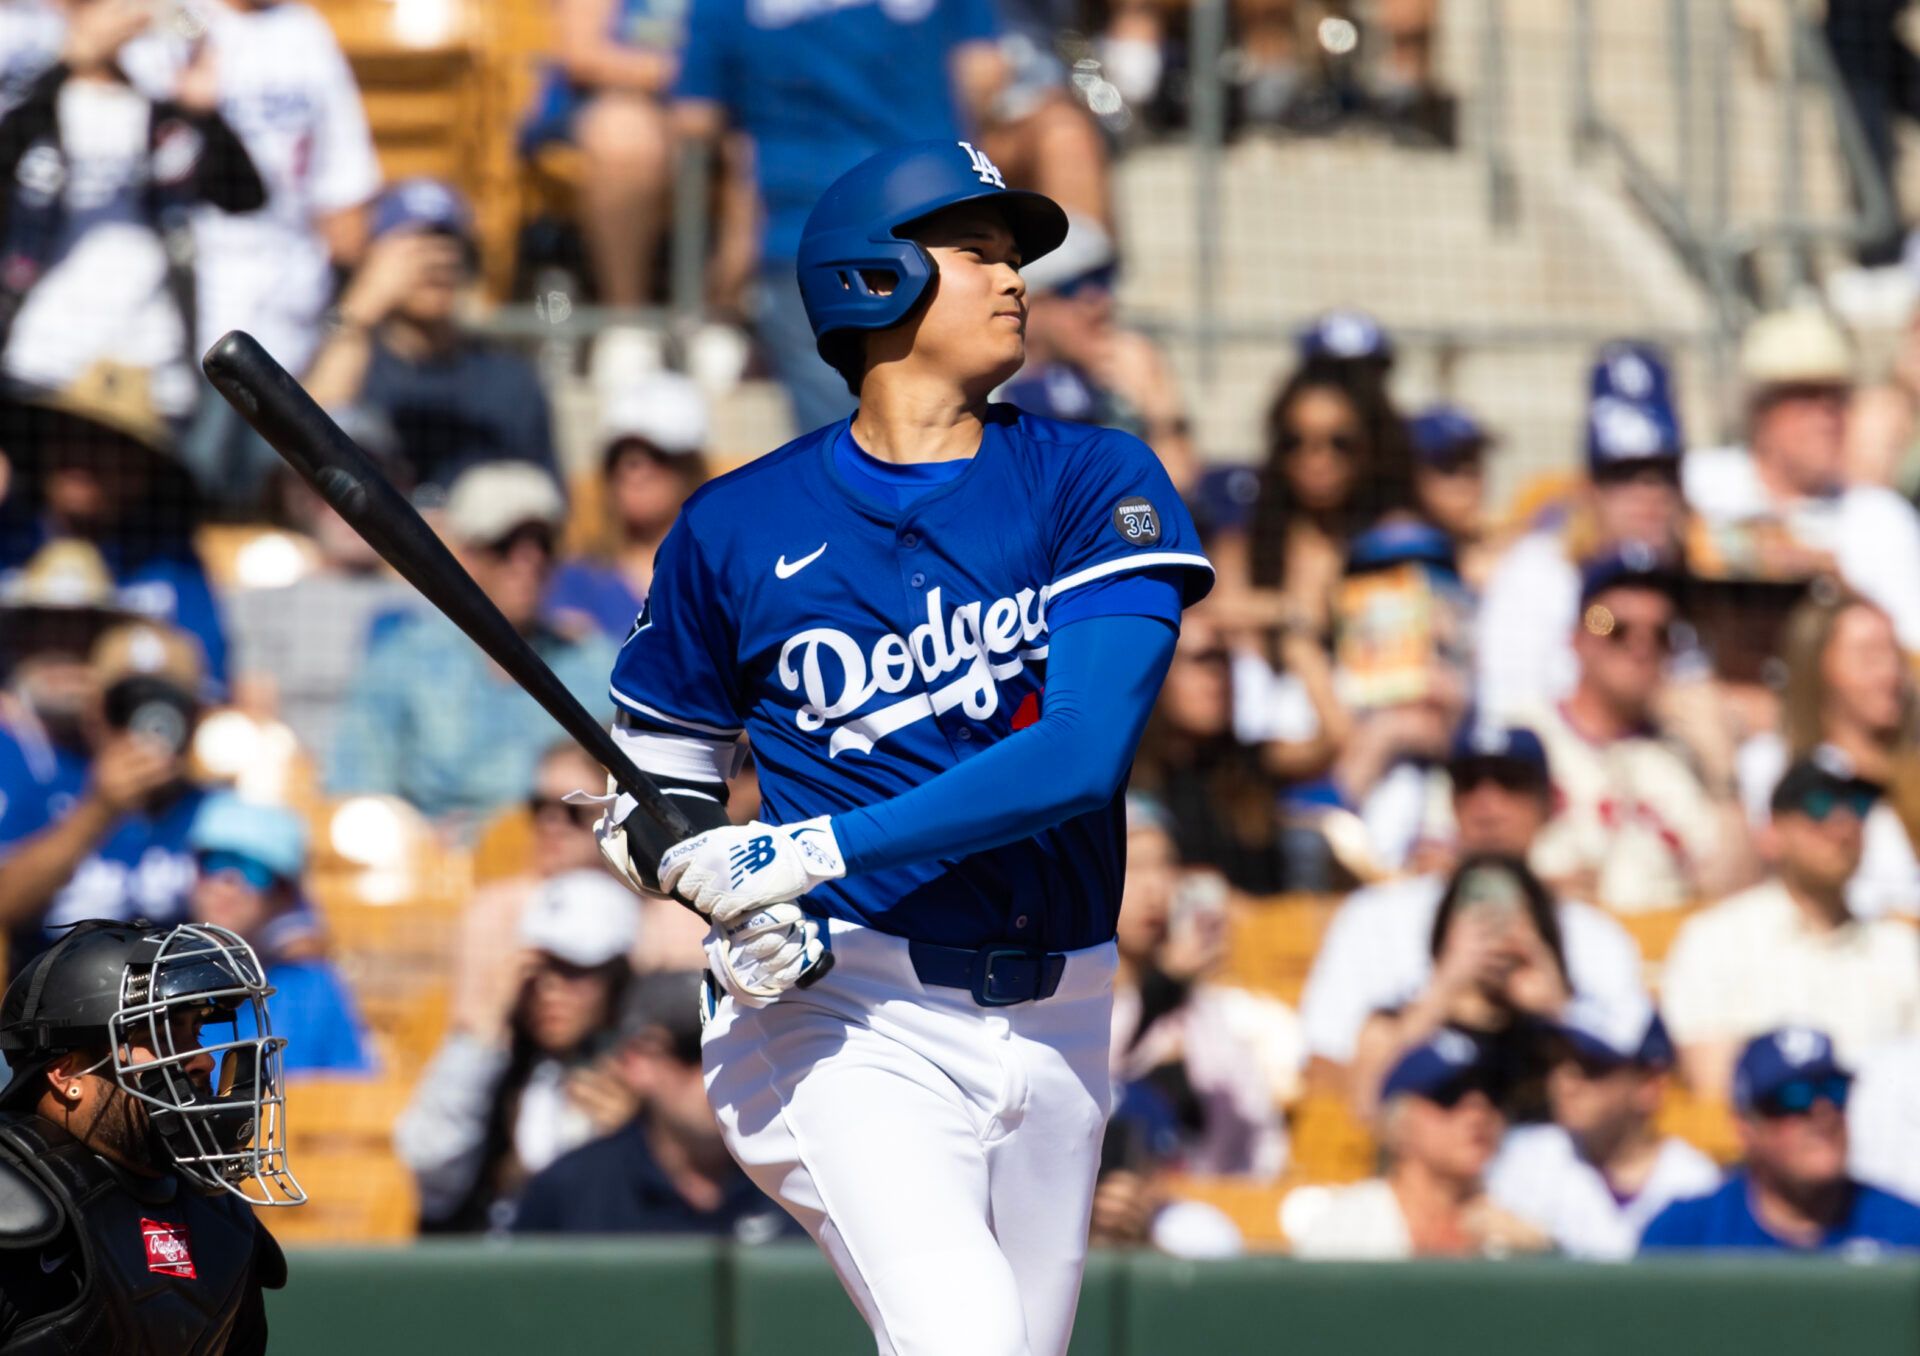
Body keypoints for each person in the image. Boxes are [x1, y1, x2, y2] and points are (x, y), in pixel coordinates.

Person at [594, 143, 1212, 1354]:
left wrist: (807, 847)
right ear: (873, 281)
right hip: (846, 1006)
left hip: (1068, 1007)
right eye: (976, 249)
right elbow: (658, 784)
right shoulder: (736, 524)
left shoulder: (1091, 478)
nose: (1015, 275)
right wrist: (676, 859)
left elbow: (1079, 754)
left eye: (1013, 253)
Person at [670, 0, 1010, 433]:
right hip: (934, 212)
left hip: (807, 227)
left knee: (849, 444)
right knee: (957, 427)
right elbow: (984, 74)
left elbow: (695, 118)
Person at [1299, 722, 1647, 1099]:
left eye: (1511, 784)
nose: (1488, 808)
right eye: (1469, 785)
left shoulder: (1594, 935)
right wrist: (1443, 992)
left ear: (1548, 803)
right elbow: (1324, 1069)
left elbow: (1639, 1085)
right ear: (1450, 801)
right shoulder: (1374, 917)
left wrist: (1556, 1013)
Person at [0, 918, 300, 1350]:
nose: (203, 1062)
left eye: (195, 1032)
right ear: (67, 1073)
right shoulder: (12, 1210)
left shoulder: (224, 1225)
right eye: (160, 1035)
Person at [156, 0, 380, 505]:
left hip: (291, 310)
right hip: (178, 312)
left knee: (280, 496)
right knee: (189, 497)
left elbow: (346, 198)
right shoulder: (164, 19)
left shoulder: (304, 32)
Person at [0, 0, 264, 419]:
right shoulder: (36, 104)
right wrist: (66, 66)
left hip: (153, 366)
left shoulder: (160, 109)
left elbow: (245, 198)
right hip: (45, 356)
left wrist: (206, 115)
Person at [328, 461, 620, 827]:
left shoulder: (597, 665)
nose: (528, 561)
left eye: (542, 544)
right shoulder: (402, 662)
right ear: (465, 554)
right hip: (436, 868)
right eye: (505, 544)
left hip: (566, 869)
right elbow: (359, 797)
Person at [1662, 752, 1920, 1099]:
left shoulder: (1900, 946)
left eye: (1858, 805)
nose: (1842, 826)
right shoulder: (1716, 937)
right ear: (1771, 833)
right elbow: (1711, 1081)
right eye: (1818, 805)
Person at [395, 868, 639, 1233]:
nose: (551, 988)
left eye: (576, 969)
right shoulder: (494, 1067)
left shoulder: (645, 1077)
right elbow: (430, 1167)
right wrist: (483, 1034)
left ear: (617, 980)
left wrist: (636, 1138)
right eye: (537, 971)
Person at [1519, 547, 1753, 912]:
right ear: (1576, 637)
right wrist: (1533, 892)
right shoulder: (1522, 734)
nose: (1640, 645)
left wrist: (1722, 765)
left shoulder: (1684, 755)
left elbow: (1736, 898)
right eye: (1614, 628)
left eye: (1661, 634)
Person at [1476, 340, 1689, 722]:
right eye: (1624, 475)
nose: (1649, 494)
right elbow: (1509, 708)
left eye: (1664, 474)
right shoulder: (1541, 575)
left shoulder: (1690, 573)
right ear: (1590, 488)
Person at [1684, 307, 1920, 651]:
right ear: (1759, 410)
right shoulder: (1697, 486)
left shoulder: (1881, 520)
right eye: (1807, 396)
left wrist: (1838, 591)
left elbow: (1912, 654)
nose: (1828, 416)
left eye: (1837, 398)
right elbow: (1602, 613)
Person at [302, 179, 558, 495]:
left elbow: (546, 502)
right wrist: (361, 308)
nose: (437, 259)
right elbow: (307, 443)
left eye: (448, 242)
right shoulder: (353, 364)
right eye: (415, 245)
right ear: (376, 258)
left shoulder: (509, 379)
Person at [511, 969, 797, 1240]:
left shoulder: (805, 1180)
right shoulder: (570, 1191)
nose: (724, 1071)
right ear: (636, 1062)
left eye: (744, 1049)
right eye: (696, 1050)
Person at [1, 363, 232, 692]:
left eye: (108, 445)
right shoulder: (6, 537)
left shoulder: (170, 564)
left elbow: (209, 683)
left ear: (145, 470)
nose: (82, 456)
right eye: (69, 434)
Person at [0, 621, 214, 971]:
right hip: (59, 1010)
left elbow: (286, 936)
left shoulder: (215, 810)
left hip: (178, 1010)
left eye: (166, 703)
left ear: (197, 716)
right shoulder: (44, 788)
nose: (148, 724)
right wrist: (99, 809)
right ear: (94, 712)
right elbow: (5, 903)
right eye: (127, 704)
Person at [1109, 794, 1302, 1179]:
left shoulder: (1207, 1007)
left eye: (1166, 866)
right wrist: (1164, 987)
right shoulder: (1062, 999)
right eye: (1134, 866)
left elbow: (1254, 1141)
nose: (1154, 888)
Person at [225, 405, 420, 759]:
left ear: (397, 489)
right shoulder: (260, 604)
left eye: (368, 480)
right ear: (298, 495)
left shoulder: (434, 607)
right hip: (299, 790)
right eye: (329, 483)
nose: (349, 502)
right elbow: (258, 722)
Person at [1641, 1027, 1920, 1253]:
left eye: (1835, 1090)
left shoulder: (1907, 1233)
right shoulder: (1686, 1239)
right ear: (1745, 1128)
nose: (1822, 1114)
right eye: (1794, 1098)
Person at [1485, 996, 1719, 1259]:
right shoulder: (1525, 1159)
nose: (1566, 1083)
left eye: (1591, 1067)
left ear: (1651, 1086)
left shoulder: (1694, 1182)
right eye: (1558, 1060)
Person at [1735, 589, 1920, 919]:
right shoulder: (1770, 765)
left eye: (1894, 655)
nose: (1889, 674)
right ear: (1817, 664)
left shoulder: (1912, 773)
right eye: (1868, 657)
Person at [1348, 854, 1573, 1119]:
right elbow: (1369, 1109)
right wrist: (1443, 989)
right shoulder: (1391, 1024)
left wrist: (1559, 1015)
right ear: (1446, 926)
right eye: (1477, 910)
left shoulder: (1551, 1032)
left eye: (1508, 912)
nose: (1493, 931)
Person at [1210, 354, 1417, 638]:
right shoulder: (1248, 534)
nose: (1316, 460)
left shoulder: (1394, 538)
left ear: (1369, 447)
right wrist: (1286, 612)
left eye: (1339, 443)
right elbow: (1209, 614)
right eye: (1294, 442)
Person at [1288, 1031, 1546, 1259]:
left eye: (1493, 1094)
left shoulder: (1521, 1229)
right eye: (1449, 1095)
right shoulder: (1348, 1229)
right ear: (1399, 1122)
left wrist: (1540, 1258)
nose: (1477, 1113)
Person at [997, 224, 1196, 494]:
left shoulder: (1117, 380)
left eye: (1105, 280)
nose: (1101, 303)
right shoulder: (990, 381)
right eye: (1074, 287)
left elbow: (1177, 499)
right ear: (1033, 299)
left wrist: (1158, 401)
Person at [185, 791, 372, 1077]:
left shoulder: (314, 988)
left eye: (254, 868)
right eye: (215, 860)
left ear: (284, 893)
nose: (228, 880)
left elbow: (353, 1094)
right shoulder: (156, 988)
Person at [545, 370, 709, 643]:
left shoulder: (723, 577)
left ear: (690, 467)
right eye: (619, 455)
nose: (633, 470)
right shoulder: (576, 581)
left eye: (657, 454)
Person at [1407, 403, 1494, 589]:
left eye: (1474, 464)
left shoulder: (1491, 550)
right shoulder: (1397, 552)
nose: (1468, 483)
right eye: (1449, 467)